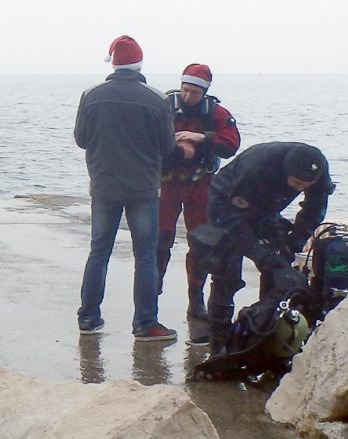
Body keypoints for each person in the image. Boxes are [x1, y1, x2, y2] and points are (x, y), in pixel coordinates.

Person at [74, 35, 177, 341]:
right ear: (139, 65)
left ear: (113, 64)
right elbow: (168, 146)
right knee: (145, 256)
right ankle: (145, 323)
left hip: (104, 186)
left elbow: (81, 139)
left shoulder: (91, 95)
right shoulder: (157, 98)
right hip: (143, 189)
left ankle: (89, 318)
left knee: (99, 252)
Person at [193, 142, 334, 355]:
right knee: (226, 272)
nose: (299, 189)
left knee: (280, 268)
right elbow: (237, 225)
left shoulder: (317, 172)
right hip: (227, 206)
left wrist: (294, 241)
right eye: (296, 183)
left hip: (268, 209)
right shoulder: (257, 166)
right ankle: (218, 339)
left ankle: (264, 327)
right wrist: (261, 254)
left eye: (305, 186)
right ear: (287, 171)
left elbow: (314, 209)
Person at [157, 64, 240, 321]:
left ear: (204, 92)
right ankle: (152, 293)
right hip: (168, 182)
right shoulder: (165, 107)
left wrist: (202, 137)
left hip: (200, 183)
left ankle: (196, 299)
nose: (188, 96)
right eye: (185, 90)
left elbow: (231, 144)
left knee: (201, 243)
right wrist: (177, 146)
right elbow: (146, 136)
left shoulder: (216, 112)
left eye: (194, 92)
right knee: (160, 240)